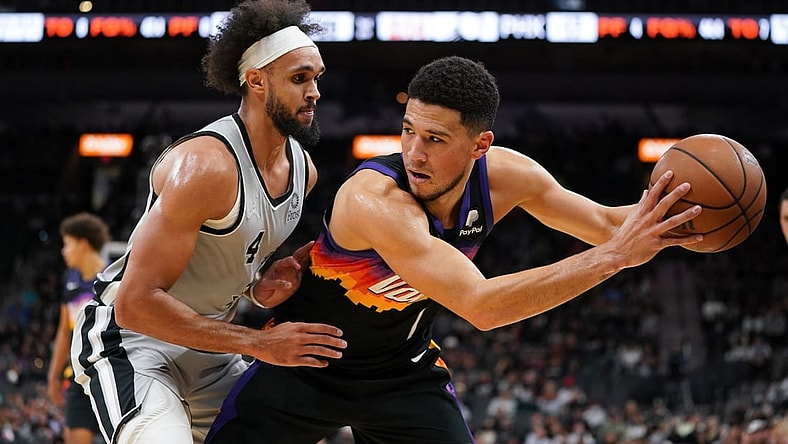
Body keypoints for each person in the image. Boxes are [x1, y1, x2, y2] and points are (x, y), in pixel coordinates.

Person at [205, 56, 704, 443]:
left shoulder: (507, 177)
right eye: (408, 131)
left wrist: (687, 212)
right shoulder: (373, 199)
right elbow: (482, 306)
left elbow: (606, 224)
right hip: (304, 364)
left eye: (435, 139)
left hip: (402, 374)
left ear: (480, 145)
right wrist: (615, 258)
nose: (414, 152)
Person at [69, 1, 346, 443]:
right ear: (256, 81)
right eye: (299, 79)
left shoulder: (303, 172)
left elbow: (228, 260)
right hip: (133, 341)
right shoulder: (206, 166)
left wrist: (259, 286)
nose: (314, 92)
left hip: (210, 349)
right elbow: (135, 303)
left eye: (316, 78)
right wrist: (257, 343)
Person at [47, 212, 109, 444]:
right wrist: (53, 376)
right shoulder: (70, 280)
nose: (64, 251)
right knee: (73, 436)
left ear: (83, 244)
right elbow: (64, 331)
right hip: (78, 372)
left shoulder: (110, 278)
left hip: (107, 369)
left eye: (67, 244)